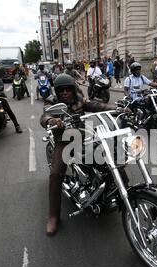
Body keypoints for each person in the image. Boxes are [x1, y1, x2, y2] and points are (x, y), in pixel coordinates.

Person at [40, 74, 117, 236]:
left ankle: (116, 192)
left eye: (68, 89)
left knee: (111, 157)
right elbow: (45, 115)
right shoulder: (52, 101)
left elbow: (96, 106)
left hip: (86, 135)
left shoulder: (80, 99)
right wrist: (52, 121)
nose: (65, 93)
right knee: (55, 174)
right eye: (62, 90)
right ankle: (53, 216)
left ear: (74, 89)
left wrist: (117, 108)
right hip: (64, 140)